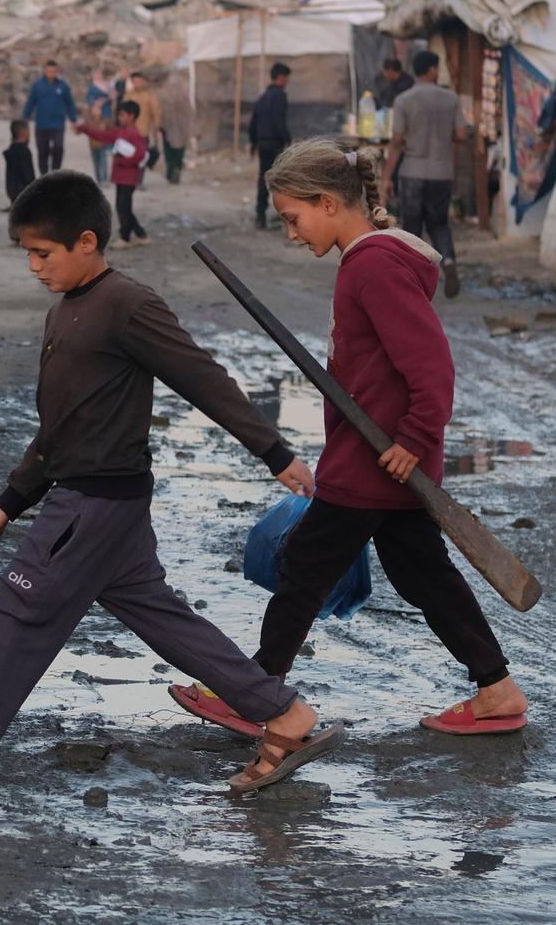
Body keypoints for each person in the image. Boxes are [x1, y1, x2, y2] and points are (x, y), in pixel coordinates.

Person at [0, 171, 341, 817]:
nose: (33, 266)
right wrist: (11, 500)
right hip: (103, 508)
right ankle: (287, 713)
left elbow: (202, 377)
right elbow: (59, 428)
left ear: (85, 242)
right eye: (26, 253)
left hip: (94, 506)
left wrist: (274, 452)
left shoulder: (127, 304)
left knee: (8, 620)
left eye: (42, 254)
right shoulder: (64, 311)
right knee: (164, 618)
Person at [178, 139, 529, 741]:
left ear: (328, 202)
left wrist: (415, 438)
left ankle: (257, 695)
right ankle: (496, 689)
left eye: (294, 218)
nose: (292, 233)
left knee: (306, 569)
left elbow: (432, 367)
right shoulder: (370, 262)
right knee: (423, 575)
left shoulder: (373, 264)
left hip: (378, 461)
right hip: (381, 460)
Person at [382, 50, 469, 298]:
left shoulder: (404, 99)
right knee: (440, 224)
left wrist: (387, 176)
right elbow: (462, 135)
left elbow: (397, 141)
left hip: (413, 172)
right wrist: (445, 135)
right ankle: (449, 263)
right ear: (431, 69)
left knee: (412, 227)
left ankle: (413, 278)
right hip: (442, 173)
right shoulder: (451, 98)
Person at [75, 100, 149, 246]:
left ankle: (125, 237)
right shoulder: (120, 132)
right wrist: (85, 129)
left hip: (129, 177)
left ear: (132, 116)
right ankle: (140, 234)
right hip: (121, 177)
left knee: (123, 207)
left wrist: (124, 162)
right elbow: (102, 135)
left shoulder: (134, 134)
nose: (120, 117)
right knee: (123, 207)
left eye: (122, 115)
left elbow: (141, 155)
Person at [246, 63, 291, 228]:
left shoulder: (262, 97)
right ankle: (287, 218)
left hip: (262, 143)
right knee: (281, 180)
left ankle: (260, 216)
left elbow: (253, 123)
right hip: (274, 142)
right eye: (286, 78)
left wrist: (253, 142)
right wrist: (287, 138)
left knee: (263, 178)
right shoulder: (279, 95)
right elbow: (278, 119)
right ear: (281, 77)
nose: (287, 81)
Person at [22, 60, 78, 174]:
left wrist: (73, 119)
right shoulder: (37, 85)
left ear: (56, 71)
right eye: (48, 71)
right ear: (45, 71)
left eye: (53, 71)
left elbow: (69, 103)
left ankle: (55, 173)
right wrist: (25, 117)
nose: (51, 73)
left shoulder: (63, 86)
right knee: (43, 151)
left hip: (57, 125)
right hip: (41, 125)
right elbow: (31, 102)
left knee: (58, 148)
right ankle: (44, 175)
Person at [126, 70, 163, 178]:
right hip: (130, 132)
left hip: (143, 132)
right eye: (134, 81)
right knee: (129, 156)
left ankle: (139, 180)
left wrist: (156, 128)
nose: (137, 83)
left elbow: (156, 113)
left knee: (142, 157)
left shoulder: (149, 96)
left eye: (139, 81)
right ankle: (131, 178)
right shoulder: (129, 96)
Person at [83, 67, 117, 184]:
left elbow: (113, 97)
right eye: (96, 74)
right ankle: (100, 177)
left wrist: (106, 99)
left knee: (106, 136)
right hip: (95, 115)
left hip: (106, 114)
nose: (98, 76)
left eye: (99, 74)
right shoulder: (92, 87)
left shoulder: (107, 85)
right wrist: (96, 105)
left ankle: (104, 177)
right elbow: (89, 100)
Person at [162, 72, 194, 185]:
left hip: (169, 129)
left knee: (169, 152)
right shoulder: (184, 98)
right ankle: (177, 169)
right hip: (180, 130)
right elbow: (189, 114)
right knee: (179, 152)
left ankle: (171, 172)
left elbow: (162, 114)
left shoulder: (165, 96)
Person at [3, 119, 36, 214]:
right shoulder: (24, 150)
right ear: (23, 132)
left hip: (11, 189)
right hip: (22, 189)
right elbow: (28, 172)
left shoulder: (12, 148)